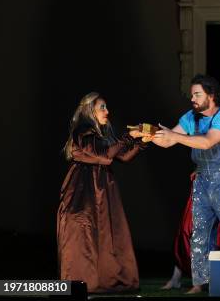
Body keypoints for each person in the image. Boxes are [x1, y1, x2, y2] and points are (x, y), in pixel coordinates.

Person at [151, 74, 220, 294]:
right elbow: (168, 140)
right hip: (203, 178)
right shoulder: (190, 117)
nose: (192, 98)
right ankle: (198, 284)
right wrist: (147, 135)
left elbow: (207, 142)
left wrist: (174, 137)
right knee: (199, 233)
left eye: (197, 94)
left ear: (211, 96)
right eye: (192, 94)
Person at [57, 92, 147, 293]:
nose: (107, 111)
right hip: (83, 189)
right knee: (82, 232)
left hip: (102, 186)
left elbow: (122, 156)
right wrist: (127, 137)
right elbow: (104, 155)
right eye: (102, 107)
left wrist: (140, 142)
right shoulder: (83, 131)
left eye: (106, 107)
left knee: (106, 232)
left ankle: (105, 279)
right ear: (90, 110)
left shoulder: (102, 134)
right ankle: (82, 282)